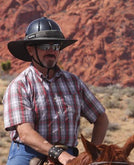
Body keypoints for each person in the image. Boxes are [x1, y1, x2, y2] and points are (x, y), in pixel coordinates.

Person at [3, 17, 109, 165]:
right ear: (30, 50)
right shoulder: (20, 85)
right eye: (45, 46)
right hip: (28, 153)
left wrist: (93, 153)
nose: (51, 50)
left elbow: (101, 118)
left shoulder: (73, 82)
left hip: (70, 154)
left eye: (56, 45)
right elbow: (26, 133)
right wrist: (57, 153)